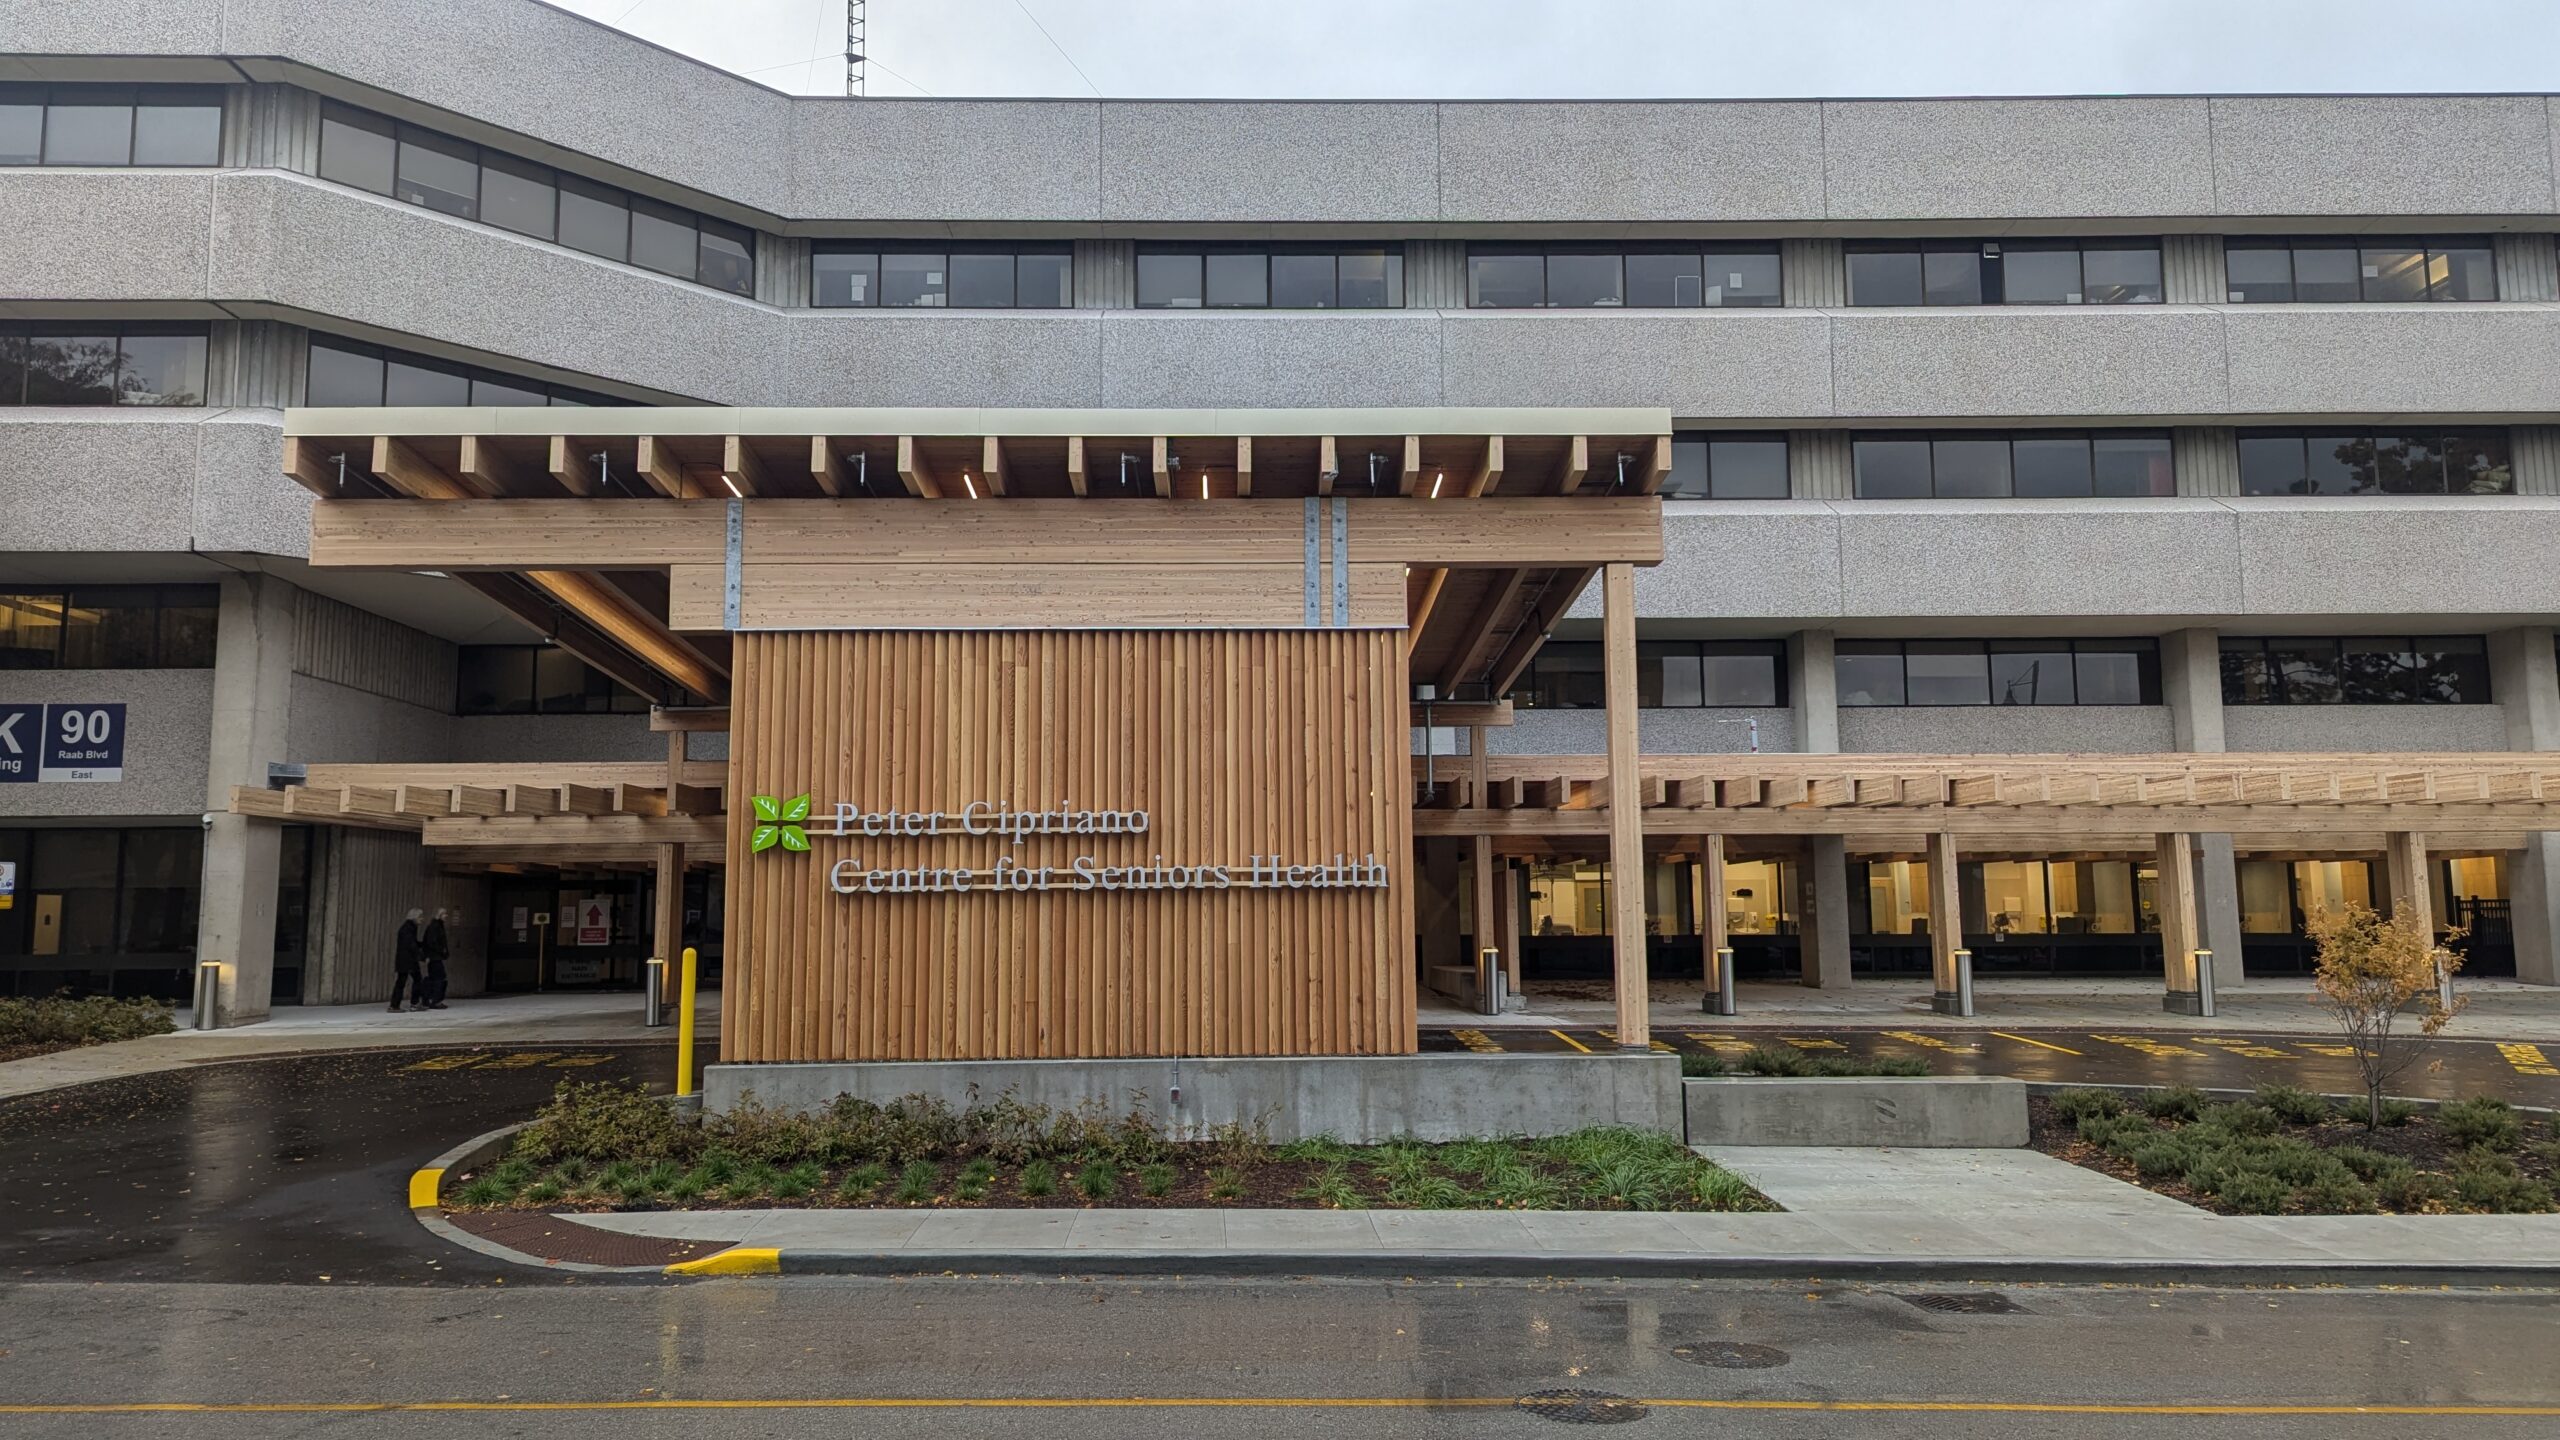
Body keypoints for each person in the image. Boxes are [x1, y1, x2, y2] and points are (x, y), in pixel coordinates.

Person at [390, 909, 424, 1013]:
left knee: (402, 981)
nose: (422, 919)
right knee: (414, 980)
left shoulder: (409, 928)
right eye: (420, 917)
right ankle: (411, 1003)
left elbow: (412, 943)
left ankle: (396, 1005)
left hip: (405, 960)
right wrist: (421, 955)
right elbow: (411, 945)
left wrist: (420, 944)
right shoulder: (408, 929)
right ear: (414, 917)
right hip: (408, 961)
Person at [421, 907, 452, 1010]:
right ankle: (435, 1000)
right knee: (438, 977)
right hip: (435, 957)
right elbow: (432, 942)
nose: (446, 916)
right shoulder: (435, 927)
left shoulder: (437, 926)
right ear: (439, 915)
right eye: (444, 914)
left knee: (437, 977)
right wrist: (441, 951)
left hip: (435, 956)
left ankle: (432, 999)